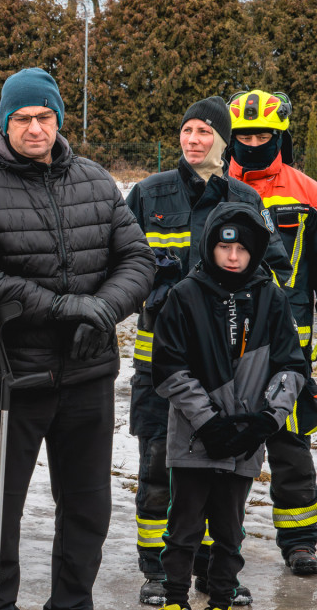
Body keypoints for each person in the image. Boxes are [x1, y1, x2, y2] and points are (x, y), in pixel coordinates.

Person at [0, 67, 153, 610]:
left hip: (88, 373)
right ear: (5, 122)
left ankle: (72, 601)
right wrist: (64, 308)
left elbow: (137, 260)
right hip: (16, 378)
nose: (35, 128)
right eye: (23, 118)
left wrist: (102, 310)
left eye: (45, 117)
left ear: (59, 119)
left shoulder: (96, 180)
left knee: (87, 506)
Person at [125, 96, 294, 605]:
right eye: (187, 130)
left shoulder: (243, 196)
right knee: (159, 467)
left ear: (222, 141)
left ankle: (216, 569)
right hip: (163, 363)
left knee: (220, 477)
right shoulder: (149, 194)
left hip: (229, 369)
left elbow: (276, 266)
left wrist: (233, 285)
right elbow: (123, 260)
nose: (193, 140)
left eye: (204, 132)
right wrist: (160, 288)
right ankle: (158, 571)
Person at [152, 202, 308, 610]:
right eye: (225, 248)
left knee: (229, 530)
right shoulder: (185, 295)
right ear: (211, 247)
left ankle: (222, 597)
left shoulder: (271, 297)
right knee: (182, 527)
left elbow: (292, 365)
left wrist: (268, 419)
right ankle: (173, 598)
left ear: (255, 250)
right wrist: (207, 423)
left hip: (246, 439)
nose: (233, 256)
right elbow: (169, 368)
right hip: (192, 440)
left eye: (243, 248)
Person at [225, 89, 317, 575]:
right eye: (243, 136)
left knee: (290, 445)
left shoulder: (308, 192)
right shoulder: (218, 186)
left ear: (279, 136)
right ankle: (221, 545)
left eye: (262, 135)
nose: (252, 143)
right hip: (225, 345)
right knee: (224, 449)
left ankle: (300, 541)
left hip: (288, 350)